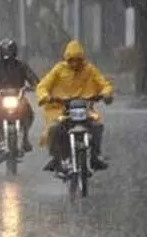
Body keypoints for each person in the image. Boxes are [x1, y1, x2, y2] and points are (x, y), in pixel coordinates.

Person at [36, 39, 114, 172]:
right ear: (67, 59)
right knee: (54, 129)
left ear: (82, 59)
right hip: (61, 109)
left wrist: (106, 94)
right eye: (72, 60)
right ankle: (56, 158)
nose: (75, 63)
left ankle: (94, 156)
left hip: (85, 109)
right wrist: (45, 96)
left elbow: (104, 84)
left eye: (78, 60)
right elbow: (43, 85)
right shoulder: (59, 69)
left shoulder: (89, 69)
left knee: (97, 126)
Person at [0, 38, 40, 153]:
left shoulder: (21, 66)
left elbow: (33, 79)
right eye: (5, 52)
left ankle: (25, 138)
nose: (7, 55)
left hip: (18, 98)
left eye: (9, 52)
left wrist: (34, 86)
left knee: (28, 112)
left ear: (14, 52)